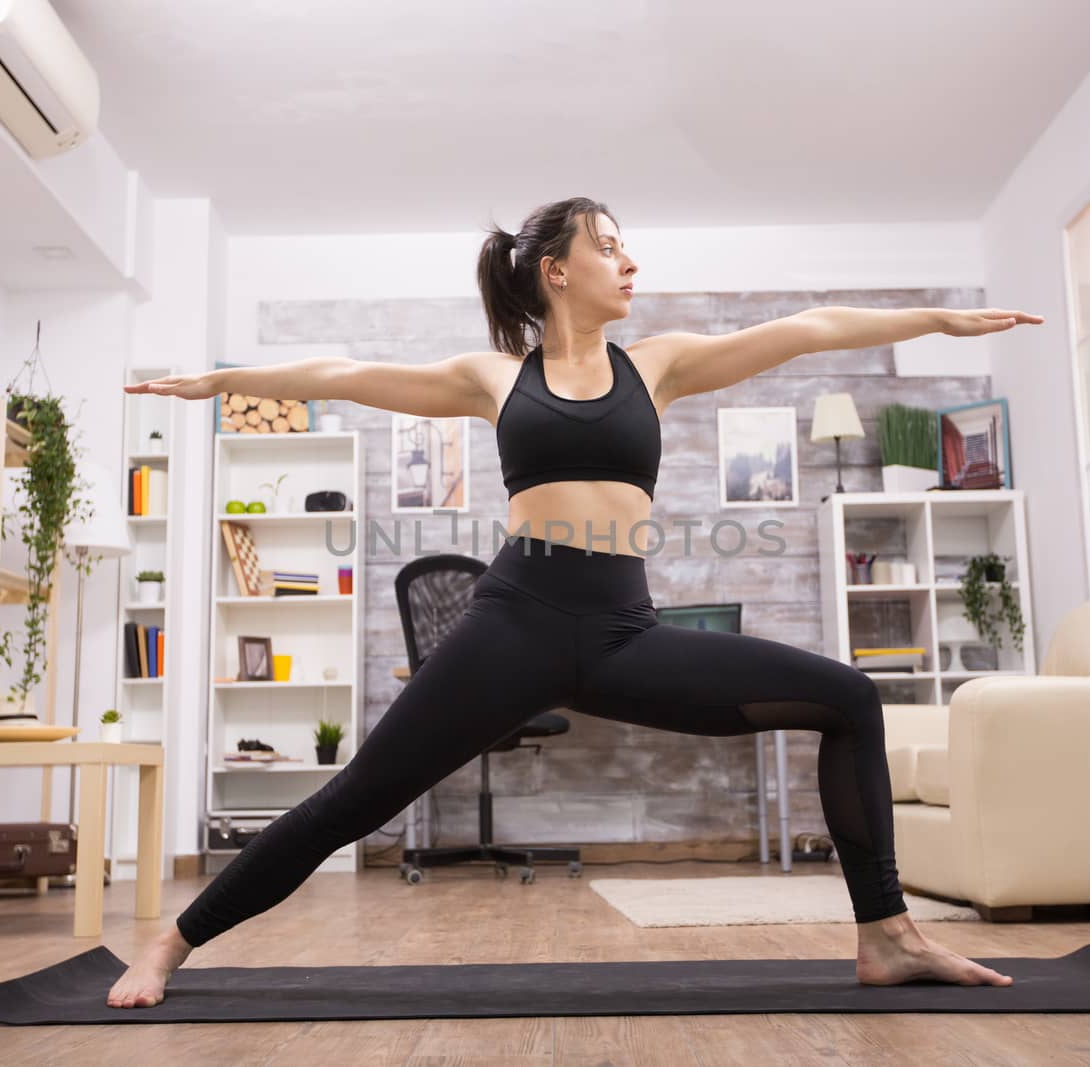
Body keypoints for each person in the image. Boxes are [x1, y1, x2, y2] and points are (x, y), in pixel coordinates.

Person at [107, 198, 1042, 1008]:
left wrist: (937, 320)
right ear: (556, 271)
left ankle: (887, 935)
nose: (629, 262)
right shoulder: (495, 378)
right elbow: (341, 375)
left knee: (847, 698)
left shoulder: (661, 366)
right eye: (609, 245)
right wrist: (220, 382)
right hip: (510, 626)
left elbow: (807, 327)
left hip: (625, 636)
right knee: (355, 799)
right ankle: (173, 939)